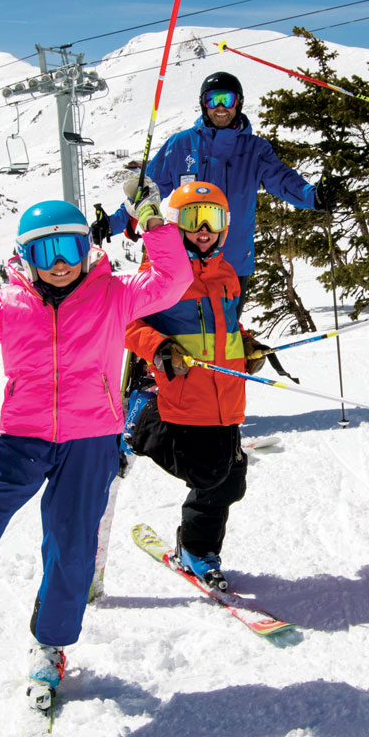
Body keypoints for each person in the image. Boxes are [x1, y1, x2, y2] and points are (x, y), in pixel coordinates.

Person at [0, 197, 190, 701]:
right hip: (22, 437)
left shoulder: (113, 294)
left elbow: (172, 280)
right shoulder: (9, 304)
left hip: (90, 438)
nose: (59, 263)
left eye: (69, 246)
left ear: (87, 247)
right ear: (26, 257)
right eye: (44, 251)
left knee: (72, 546)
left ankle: (50, 644)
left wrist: (152, 222)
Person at [122, 182, 270, 591]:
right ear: (175, 224)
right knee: (207, 472)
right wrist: (159, 347)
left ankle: (196, 549)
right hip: (183, 396)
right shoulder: (160, 274)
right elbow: (129, 323)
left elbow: (226, 327)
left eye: (213, 219)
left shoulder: (225, 275)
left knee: (231, 480)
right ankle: (139, 422)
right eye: (193, 219)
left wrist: (247, 345)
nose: (204, 229)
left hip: (226, 396)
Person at [90, 71, 332, 292]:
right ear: (203, 104)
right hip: (187, 261)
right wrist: (112, 223)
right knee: (186, 335)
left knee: (227, 332)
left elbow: (283, 181)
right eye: (212, 100)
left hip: (233, 261)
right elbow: (147, 192)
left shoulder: (255, 150)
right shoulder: (181, 145)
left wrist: (314, 196)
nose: (220, 108)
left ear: (238, 103)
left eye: (226, 100)